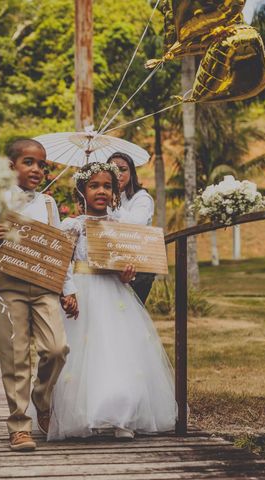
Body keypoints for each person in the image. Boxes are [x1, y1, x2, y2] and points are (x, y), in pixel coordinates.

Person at [48, 162, 177, 441]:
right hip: (82, 293)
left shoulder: (120, 227)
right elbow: (61, 263)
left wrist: (127, 274)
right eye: (94, 185)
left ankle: (123, 415)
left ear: (115, 191)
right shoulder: (74, 225)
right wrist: (67, 293)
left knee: (119, 351)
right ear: (82, 190)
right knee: (84, 356)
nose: (101, 191)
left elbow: (125, 266)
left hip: (114, 296)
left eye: (107, 186)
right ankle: (87, 414)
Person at [0, 138, 78, 452]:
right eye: (29, 162)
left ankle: (41, 397)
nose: (38, 170)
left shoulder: (48, 204)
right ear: (10, 166)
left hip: (45, 288)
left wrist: (68, 289)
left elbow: (59, 251)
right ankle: (18, 425)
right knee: (15, 357)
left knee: (57, 348)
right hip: (9, 288)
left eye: (42, 165)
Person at [107, 152, 156, 303]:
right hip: (111, 263)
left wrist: (113, 205)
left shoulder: (141, 198)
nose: (118, 174)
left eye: (123, 169)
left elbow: (136, 226)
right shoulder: (103, 196)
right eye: (113, 169)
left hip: (138, 265)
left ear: (131, 172)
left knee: (130, 311)